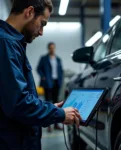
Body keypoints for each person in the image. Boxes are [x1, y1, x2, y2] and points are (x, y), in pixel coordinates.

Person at [0, 0, 81, 150]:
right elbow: (18, 103)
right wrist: (59, 114)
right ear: (29, 12)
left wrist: (49, 109)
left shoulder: (12, 43)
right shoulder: (6, 43)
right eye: (42, 23)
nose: (41, 32)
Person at [37, 42, 64, 132]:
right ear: (48, 49)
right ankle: (48, 125)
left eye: (53, 48)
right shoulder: (44, 58)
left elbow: (61, 70)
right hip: (47, 83)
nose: (52, 49)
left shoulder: (58, 59)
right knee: (48, 102)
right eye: (50, 48)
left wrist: (60, 79)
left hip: (56, 82)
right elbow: (38, 69)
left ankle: (56, 124)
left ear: (55, 48)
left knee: (57, 102)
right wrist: (43, 77)